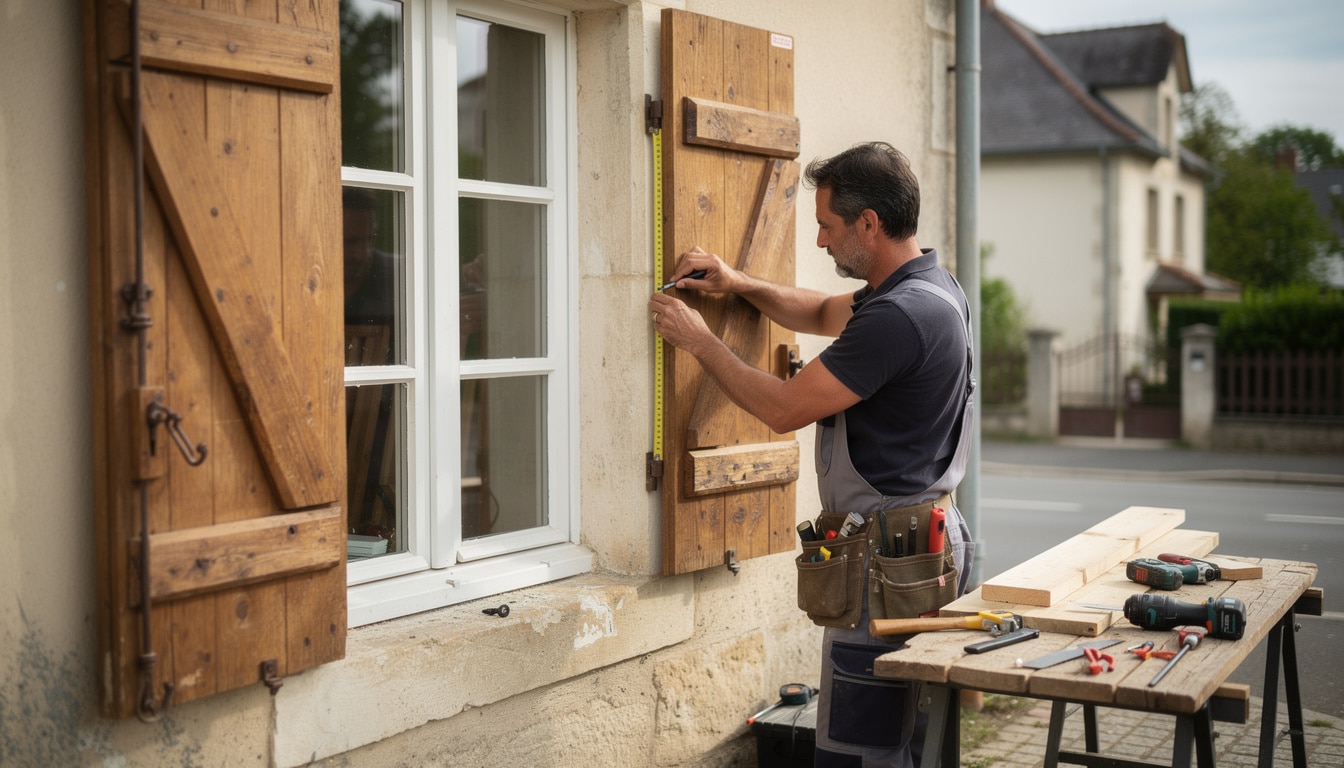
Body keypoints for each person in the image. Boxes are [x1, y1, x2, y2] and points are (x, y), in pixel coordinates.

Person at [648, 141, 975, 768]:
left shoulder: (897, 318)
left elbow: (785, 408)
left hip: (887, 562)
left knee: (860, 753)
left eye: (827, 225)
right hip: (921, 545)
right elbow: (823, 310)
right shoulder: (928, 288)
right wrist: (736, 282)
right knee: (910, 742)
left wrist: (701, 341)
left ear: (868, 224)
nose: (822, 241)